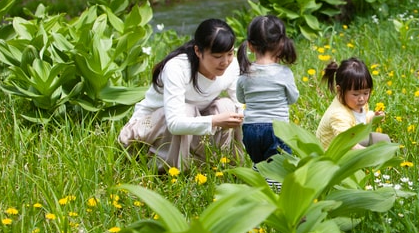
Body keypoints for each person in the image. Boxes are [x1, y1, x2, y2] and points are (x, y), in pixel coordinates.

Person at [118, 18, 244, 172]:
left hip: (193, 126)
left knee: (228, 107)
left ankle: (225, 166)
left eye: (230, 54)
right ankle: (168, 171)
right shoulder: (177, 68)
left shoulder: (232, 66)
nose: (225, 62)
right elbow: (175, 123)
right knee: (186, 111)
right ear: (198, 51)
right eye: (217, 56)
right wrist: (215, 121)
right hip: (149, 133)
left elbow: (241, 105)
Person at [236, 15, 299, 166]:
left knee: (260, 165)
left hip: (250, 129)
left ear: (250, 46)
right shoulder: (284, 73)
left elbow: (241, 98)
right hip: (277, 129)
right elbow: (293, 98)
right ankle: (275, 188)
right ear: (281, 44)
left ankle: (259, 186)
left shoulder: (245, 73)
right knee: (278, 168)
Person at [316, 58, 390, 150]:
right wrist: (369, 153)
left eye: (366, 93)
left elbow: (362, 119)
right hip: (335, 154)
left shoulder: (356, 104)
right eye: (355, 94)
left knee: (384, 141)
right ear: (339, 90)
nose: (361, 98)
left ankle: (385, 160)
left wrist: (374, 116)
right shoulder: (338, 115)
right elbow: (347, 144)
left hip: (354, 138)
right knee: (374, 151)